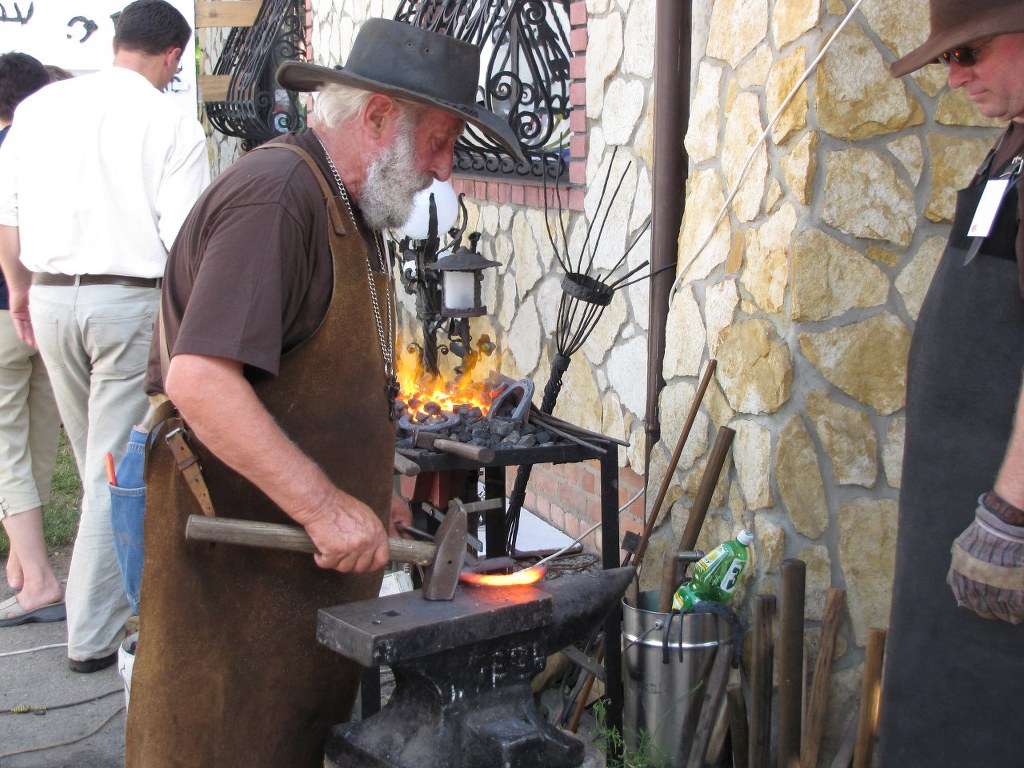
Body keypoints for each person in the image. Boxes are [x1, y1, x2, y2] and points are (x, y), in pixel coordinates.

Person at [124, 18, 524, 767]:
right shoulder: (278, 198)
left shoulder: (351, 208)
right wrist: (325, 506)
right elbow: (200, 381)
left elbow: (320, 382)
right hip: (234, 583)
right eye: (438, 142)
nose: (444, 169)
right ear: (377, 117)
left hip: (296, 593)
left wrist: (375, 493)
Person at [0, 0, 210, 672]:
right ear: (173, 56)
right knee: (109, 464)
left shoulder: (38, 108)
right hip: (127, 299)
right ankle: (92, 636)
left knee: (98, 457)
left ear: (117, 40)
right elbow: (184, 240)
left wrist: (19, 290)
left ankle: (116, 600)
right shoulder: (170, 122)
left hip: (48, 293)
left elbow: (9, 218)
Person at [880, 1, 1024, 765]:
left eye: (971, 52)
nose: (955, 75)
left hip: (999, 521)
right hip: (951, 503)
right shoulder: (1011, 144)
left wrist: (1009, 514)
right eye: (947, 59)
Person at [0, 52, 64, 628]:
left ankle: (37, 578)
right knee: (39, 441)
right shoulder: (55, 148)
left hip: (8, 307)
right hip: (51, 304)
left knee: (7, 449)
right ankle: (23, 564)